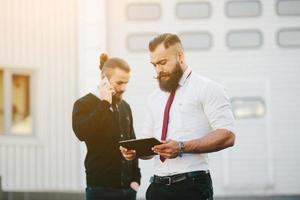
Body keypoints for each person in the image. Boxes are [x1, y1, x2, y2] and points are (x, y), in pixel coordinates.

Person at [120, 33, 235, 200]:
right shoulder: (154, 97)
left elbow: (227, 135)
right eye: (154, 65)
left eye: (162, 63)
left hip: (191, 188)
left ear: (180, 56)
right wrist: (136, 151)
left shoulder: (207, 88)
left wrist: (181, 147)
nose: (158, 70)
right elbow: (149, 148)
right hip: (157, 189)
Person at [72, 53, 141, 200]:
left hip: (128, 191)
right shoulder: (83, 104)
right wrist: (104, 103)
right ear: (104, 78)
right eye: (119, 83)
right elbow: (82, 133)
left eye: (126, 82)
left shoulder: (125, 107)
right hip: (100, 191)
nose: (124, 88)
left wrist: (136, 180)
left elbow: (132, 143)